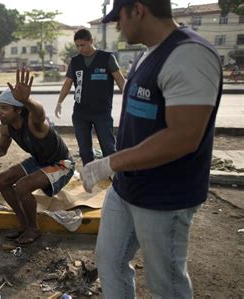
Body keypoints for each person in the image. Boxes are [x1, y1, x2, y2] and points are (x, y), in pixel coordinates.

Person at [83, 0, 222, 298]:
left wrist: (109, 163)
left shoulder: (189, 55)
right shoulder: (147, 55)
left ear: (137, 9)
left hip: (165, 196)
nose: (117, 25)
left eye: (119, 16)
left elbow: (183, 137)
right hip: (127, 188)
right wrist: (116, 167)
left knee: (166, 286)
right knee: (110, 262)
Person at [0, 68, 75, 245]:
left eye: (4, 108)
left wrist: (26, 100)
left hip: (62, 164)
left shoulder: (34, 123)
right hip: (40, 161)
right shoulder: (6, 127)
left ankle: (33, 229)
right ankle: (23, 223)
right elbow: (1, 150)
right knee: (2, 180)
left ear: (19, 110)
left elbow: (40, 112)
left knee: (22, 186)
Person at [55, 28, 125, 166]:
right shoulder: (75, 61)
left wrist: (129, 101)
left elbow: (120, 80)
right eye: (77, 46)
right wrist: (59, 102)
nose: (80, 49)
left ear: (91, 41)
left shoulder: (107, 58)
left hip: (102, 112)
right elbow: (67, 83)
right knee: (85, 151)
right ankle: (90, 175)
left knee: (109, 148)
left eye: (83, 45)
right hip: (81, 113)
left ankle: (115, 176)